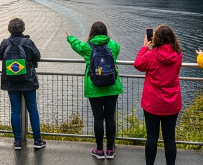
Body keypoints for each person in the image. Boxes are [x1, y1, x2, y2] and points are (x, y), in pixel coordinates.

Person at [67, 22, 123, 160]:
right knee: (110, 118)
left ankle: (99, 150)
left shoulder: (87, 47)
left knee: (98, 118)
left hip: (94, 87)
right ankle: (110, 150)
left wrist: (70, 37)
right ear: (105, 32)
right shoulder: (114, 45)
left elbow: (76, 45)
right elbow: (117, 49)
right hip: (111, 86)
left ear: (91, 32)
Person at [0, 18, 46, 150]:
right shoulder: (28, 42)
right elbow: (37, 56)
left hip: (11, 82)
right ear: (23, 28)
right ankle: (37, 140)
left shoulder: (5, 43)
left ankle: (17, 141)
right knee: (33, 110)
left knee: (15, 111)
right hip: (28, 81)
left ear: (9, 29)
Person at [133, 25, 182, 165]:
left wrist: (145, 47)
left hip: (152, 103)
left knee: (152, 137)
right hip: (172, 103)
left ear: (156, 39)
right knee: (170, 139)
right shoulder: (178, 54)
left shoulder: (151, 55)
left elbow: (138, 64)